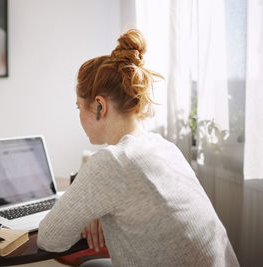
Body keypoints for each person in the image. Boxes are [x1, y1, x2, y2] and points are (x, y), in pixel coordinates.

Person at [37, 29, 239, 266]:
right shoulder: (164, 147)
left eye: (78, 107)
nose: (79, 115)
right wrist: (98, 207)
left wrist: (90, 208)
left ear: (100, 106)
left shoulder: (112, 161)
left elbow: (49, 240)